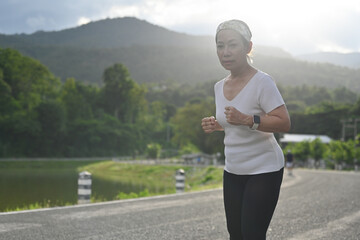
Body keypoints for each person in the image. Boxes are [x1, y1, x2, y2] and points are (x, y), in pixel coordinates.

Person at [201, 19, 291, 240]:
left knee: (252, 234)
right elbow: (233, 124)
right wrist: (217, 125)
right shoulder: (219, 86)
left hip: (264, 168)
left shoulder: (263, 82)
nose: (225, 52)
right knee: (236, 235)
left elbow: (283, 122)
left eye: (232, 45)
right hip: (233, 169)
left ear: (248, 47)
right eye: (220, 46)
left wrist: (249, 119)